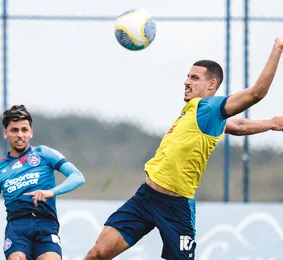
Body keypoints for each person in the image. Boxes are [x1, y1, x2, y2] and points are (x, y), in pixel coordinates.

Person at [83, 36, 283, 260]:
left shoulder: (211, 107)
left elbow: (257, 92)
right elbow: (237, 125)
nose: (186, 81)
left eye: (194, 77)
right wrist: (271, 123)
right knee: (97, 253)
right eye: (187, 76)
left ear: (211, 85)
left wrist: (278, 47)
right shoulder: (195, 111)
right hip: (145, 198)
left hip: (176, 207)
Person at [0, 105, 86, 260]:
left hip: (46, 225)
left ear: (31, 133)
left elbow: (78, 176)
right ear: (5, 133)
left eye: (24, 130)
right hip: (17, 229)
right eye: (14, 130)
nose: (20, 135)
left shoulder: (45, 154)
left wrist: (51, 192)